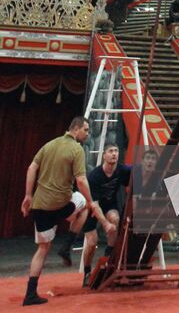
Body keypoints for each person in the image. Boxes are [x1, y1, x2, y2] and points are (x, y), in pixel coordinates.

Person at [20, 116, 113, 306]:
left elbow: (31, 168)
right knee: (84, 205)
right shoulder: (76, 149)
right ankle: (67, 245)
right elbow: (80, 180)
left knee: (42, 249)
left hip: (40, 206)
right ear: (76, 129)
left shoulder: (49, 145)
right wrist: (90, 201)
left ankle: (30, 293)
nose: (87, 134)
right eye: (86, 130)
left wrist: (28, 196)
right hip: (61, 203)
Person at [81, 142, 132, 286]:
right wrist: (105, 224)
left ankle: (108, 257)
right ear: (104, 155)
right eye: (110, 151)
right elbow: (94, 205)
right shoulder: (94, 176)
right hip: (92, 207)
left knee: (115, 218)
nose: (114, 153)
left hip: (109, 205)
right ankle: (87, 272)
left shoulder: (122, 170)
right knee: (92, 243)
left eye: (116, 151)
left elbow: (139, 171)